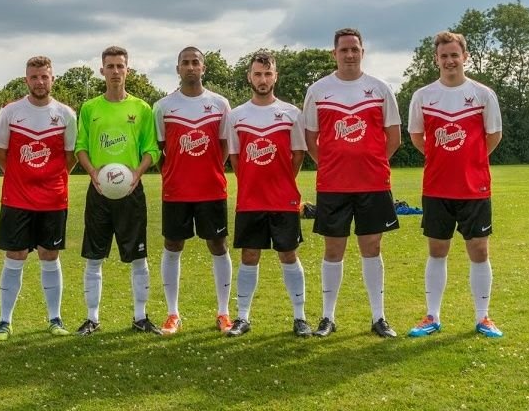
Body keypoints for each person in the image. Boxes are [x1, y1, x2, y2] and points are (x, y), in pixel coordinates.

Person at [302, 28, 402, 338]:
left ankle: (378, 317)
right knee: (334, 250)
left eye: (354, 49)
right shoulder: (318, 90)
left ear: (362, 52)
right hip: (333, 185)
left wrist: (369, 163)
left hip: (373, 183)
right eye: (344, 50)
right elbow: (310, 139)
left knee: (371, 247)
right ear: (334, 53)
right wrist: (335, 164)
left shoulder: (380, 88)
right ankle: (328, 318)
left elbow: (394, 138)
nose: (349, 54)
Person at [406, 31, 504, 338]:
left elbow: (493, 136)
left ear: (465, 57)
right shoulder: (423, 96)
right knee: (437, 250)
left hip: (474, 186)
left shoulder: (483, 94)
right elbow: (417, 137)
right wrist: (442, 158)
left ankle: (483, 317)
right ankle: (432, 316)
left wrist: (469, 159)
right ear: (436, 59)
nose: (449, 60)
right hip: (436, 187)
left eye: (454, 55)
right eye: (444, 56)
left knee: (479, 251)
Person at [0, 56, 78, 340]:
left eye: (44, 77)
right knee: (14, 256)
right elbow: (0, 152)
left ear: (52, 79)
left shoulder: (66, 114)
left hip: (53, 198)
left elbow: (70, 156)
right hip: (17, 198)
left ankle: (55, 318)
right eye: (34, 77)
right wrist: (20, 176)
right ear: (26, 79)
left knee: (49, 255)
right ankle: (4, 321)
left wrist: (51, 178)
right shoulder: (11, 112)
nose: (39, 82)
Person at [74, 46, 162, 336]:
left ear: (128, 70)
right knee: (94, 257)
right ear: (102, 71)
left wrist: (137, 174)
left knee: (138, 257)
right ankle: (92, 318)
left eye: (119, 66)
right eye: (109, 66)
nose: (115, 71)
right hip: (99, 191)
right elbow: (81, 148)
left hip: (131, 191)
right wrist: (93, 173)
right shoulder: (90, 108)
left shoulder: (141, 109)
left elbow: (151, 149)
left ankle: (140, 317)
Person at [226, 51, 312, 337]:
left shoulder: (291, 113)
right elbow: (236, 158)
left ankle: (300, 317)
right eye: (257, 74)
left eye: (268, 73)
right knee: (249, 256)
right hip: (250, 199)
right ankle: (242, 317)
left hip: (283, 198)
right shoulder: (236, 115)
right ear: (249, 76)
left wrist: (283, 181)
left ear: (275, 76)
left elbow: (298, 153)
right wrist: (251, 181)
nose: (263, 79)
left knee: (288, 254)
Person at [152, 46, 233, 334]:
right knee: (173, 246)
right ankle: (173, 313)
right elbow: (160, 150)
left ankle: (223, 312)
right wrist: (175, 173)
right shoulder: (162, 106)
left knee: (218, 246)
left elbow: (224, 145)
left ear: (204, 67)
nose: (190, 67)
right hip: (176, 190)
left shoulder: (220, 104)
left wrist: (209, 168)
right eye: (185, 63)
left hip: (211, 188)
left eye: (195, 62)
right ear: (177, 69)